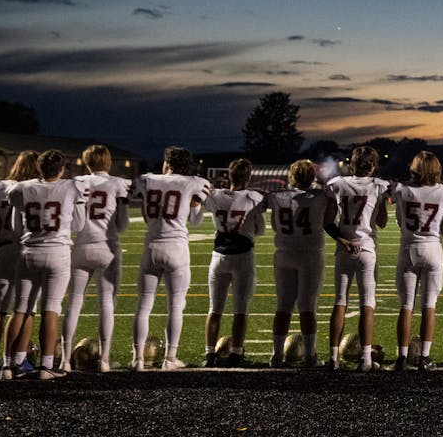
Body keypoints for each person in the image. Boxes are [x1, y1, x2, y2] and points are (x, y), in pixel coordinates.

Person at [8, 149, 88, 379]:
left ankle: (9, 364)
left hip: (29, 251)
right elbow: (79, 225)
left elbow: (16, 228)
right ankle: (46, 366)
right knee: (51, 310)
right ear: (61, 169)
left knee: (21, 309)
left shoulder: (21, 188)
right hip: (57, 252)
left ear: (38, 168)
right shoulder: (72, 187)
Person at [132, 146, 211, 370]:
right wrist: (195, 205)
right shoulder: (194, 182)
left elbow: (147, 216)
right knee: (176, 306)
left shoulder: (147, 180)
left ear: (168, 163)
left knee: (144, 305)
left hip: (152, 245)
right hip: (176, 247)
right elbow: (195, 221)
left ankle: (137, 359)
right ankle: (169, 359)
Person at [265, 157, 340, 369]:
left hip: (284, 253)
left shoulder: (277, 197)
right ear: (312, 176)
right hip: (310, 255)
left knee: (283, 306)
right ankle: (309, 355)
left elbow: (274, 225)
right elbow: (330, 218)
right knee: (307, 307)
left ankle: (276, 355)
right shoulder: (320, 196)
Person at [62, 144, 131, 373]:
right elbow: (122, 226)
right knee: (106, 304)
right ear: (108, 161)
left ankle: (64, 359)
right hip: (107, 246)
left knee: (73, 303)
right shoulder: (118, 184)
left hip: (81, 246)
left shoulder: (76, 183)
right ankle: (104, 360)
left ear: (87, 162)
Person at [391, 151, 443, 370]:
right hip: (433, 249)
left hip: (409, 248)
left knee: (406, 306)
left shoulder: (402, 190)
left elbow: (401, 222)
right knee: (429, 306)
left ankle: (402, 357)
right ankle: (424, 358)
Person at [325, 147, 390, 370]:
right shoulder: (379, 186)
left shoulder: (338, 184)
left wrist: (344, 241)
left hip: (344, 248)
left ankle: (333, 359)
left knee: (340, 302)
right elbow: (381, 222)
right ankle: (366, 359)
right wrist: (379, 203)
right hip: (366, 250)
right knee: (367, 305)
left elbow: (328, 222)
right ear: (372, 165)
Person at [201, 158, 265, 368]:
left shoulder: (215, 195)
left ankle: (209, 355)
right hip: (243, 257)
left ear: (229, 175)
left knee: (215, 308)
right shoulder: (254, 197)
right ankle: (237, 353)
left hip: (218, 256)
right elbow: (260, 230)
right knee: (240, 310)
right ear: (248, 177)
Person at [0, 151, 38, 377]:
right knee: (27, 309)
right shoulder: (34, 188)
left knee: (0, 307)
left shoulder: (0, 187)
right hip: (26, 248)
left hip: (5, 247)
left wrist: (0, 250)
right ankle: (20, 359)